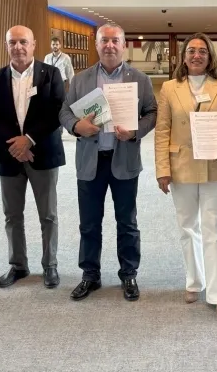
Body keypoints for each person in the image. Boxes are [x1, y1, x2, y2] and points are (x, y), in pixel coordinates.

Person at [60, 23, 157, 302]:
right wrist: (76, 126)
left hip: (123, 159)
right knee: (89, 223)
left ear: (124, 45)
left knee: (127, 222)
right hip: (90, 161)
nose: (110, 45)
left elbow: (152, 112)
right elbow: (65, 112)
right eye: (104, 40)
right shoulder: (81, 79)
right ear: (97, 44)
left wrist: (135, 131)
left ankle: (129, 273)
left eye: (115, 41)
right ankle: (90, 274)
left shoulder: (140, 79)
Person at [154, 33, 217, 320]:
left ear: (210, 56)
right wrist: (162, 169)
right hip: (181, 165)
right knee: (187, 226)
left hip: (215, 164)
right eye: (191, 50)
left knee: (216, 228)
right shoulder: (169, 88)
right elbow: (162, 130)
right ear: (183, 56)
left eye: (202, 51)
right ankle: (194, 281)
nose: (196, 55)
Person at [0, 26, 65, 290]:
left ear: (33, 44)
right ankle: (18, 265)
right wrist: (16, 145)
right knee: (12, 216)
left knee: (48, 215)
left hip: (43, 153)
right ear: (7, 45)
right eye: (12, 42)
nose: (18, 47)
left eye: (23, 42)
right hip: (9, 156)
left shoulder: (51, 74)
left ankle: (50, 265)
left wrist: (28, 139)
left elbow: (57, 111)